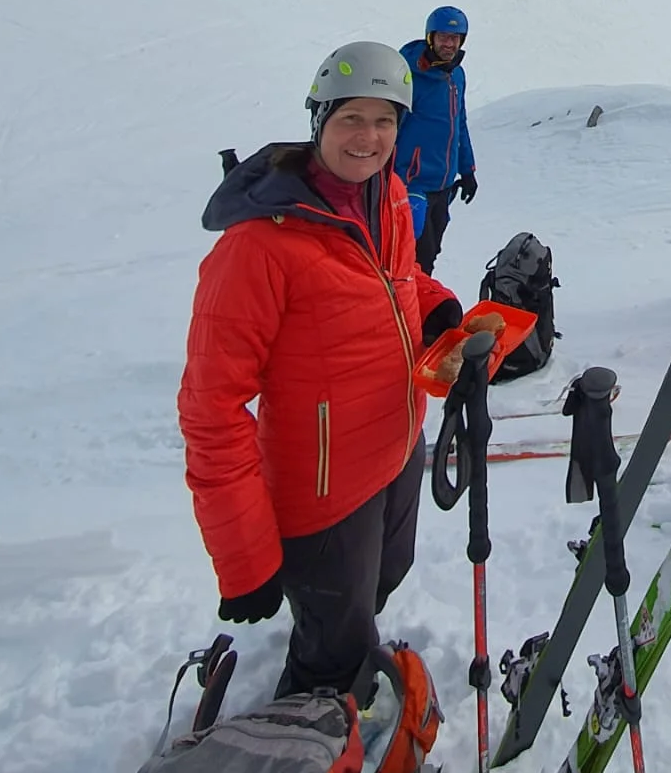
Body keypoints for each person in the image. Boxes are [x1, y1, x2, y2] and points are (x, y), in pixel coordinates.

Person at [179, 40, 470, 707]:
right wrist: (244, 558)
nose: (369, 138)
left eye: (386, 121)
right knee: (332, 656)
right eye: (351, 119)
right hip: (324, 489)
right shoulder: (257, 247)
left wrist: (436, 305)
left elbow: (394, 280)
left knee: (382, 581)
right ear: (319, 122)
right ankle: (300, 759)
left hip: (397, 450)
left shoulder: (387, 195)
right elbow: (210, 408)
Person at [395, 5, 477, 274]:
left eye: (455, 38)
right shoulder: (408, 76)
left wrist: (467, 169)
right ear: (430, 37)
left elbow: (458, 123)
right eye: (443, 37)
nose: (449, 44)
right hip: (410, 186)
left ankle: (420, 310)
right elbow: (390, 129)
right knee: (407, 259)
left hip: (443, 186)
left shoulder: (457, 75)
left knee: (429, 255)